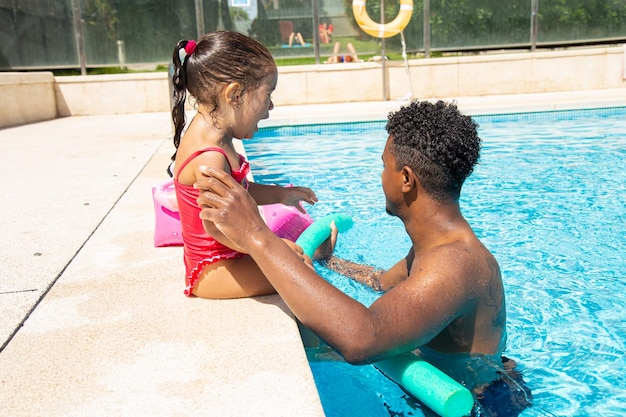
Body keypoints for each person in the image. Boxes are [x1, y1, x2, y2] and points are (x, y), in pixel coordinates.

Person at [194, 100, 532, 414]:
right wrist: (331, 262)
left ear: (406, 180)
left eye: (383, 166)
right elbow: (381, 281)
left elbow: (361, 340)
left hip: (476, 405)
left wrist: (257, 236)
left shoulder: (453, 263)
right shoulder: (438, 248)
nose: (380, 175)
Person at [170, 31, 320, 299]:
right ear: (235, 95)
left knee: (299, 259)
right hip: (213, 270)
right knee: (300, 271)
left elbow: (239, 193)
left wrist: (280, 194)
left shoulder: (216, 133)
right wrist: (271, 246)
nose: (271, 106)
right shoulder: (210, 157)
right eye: (267, 94)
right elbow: (216, 226)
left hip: (230, 256)